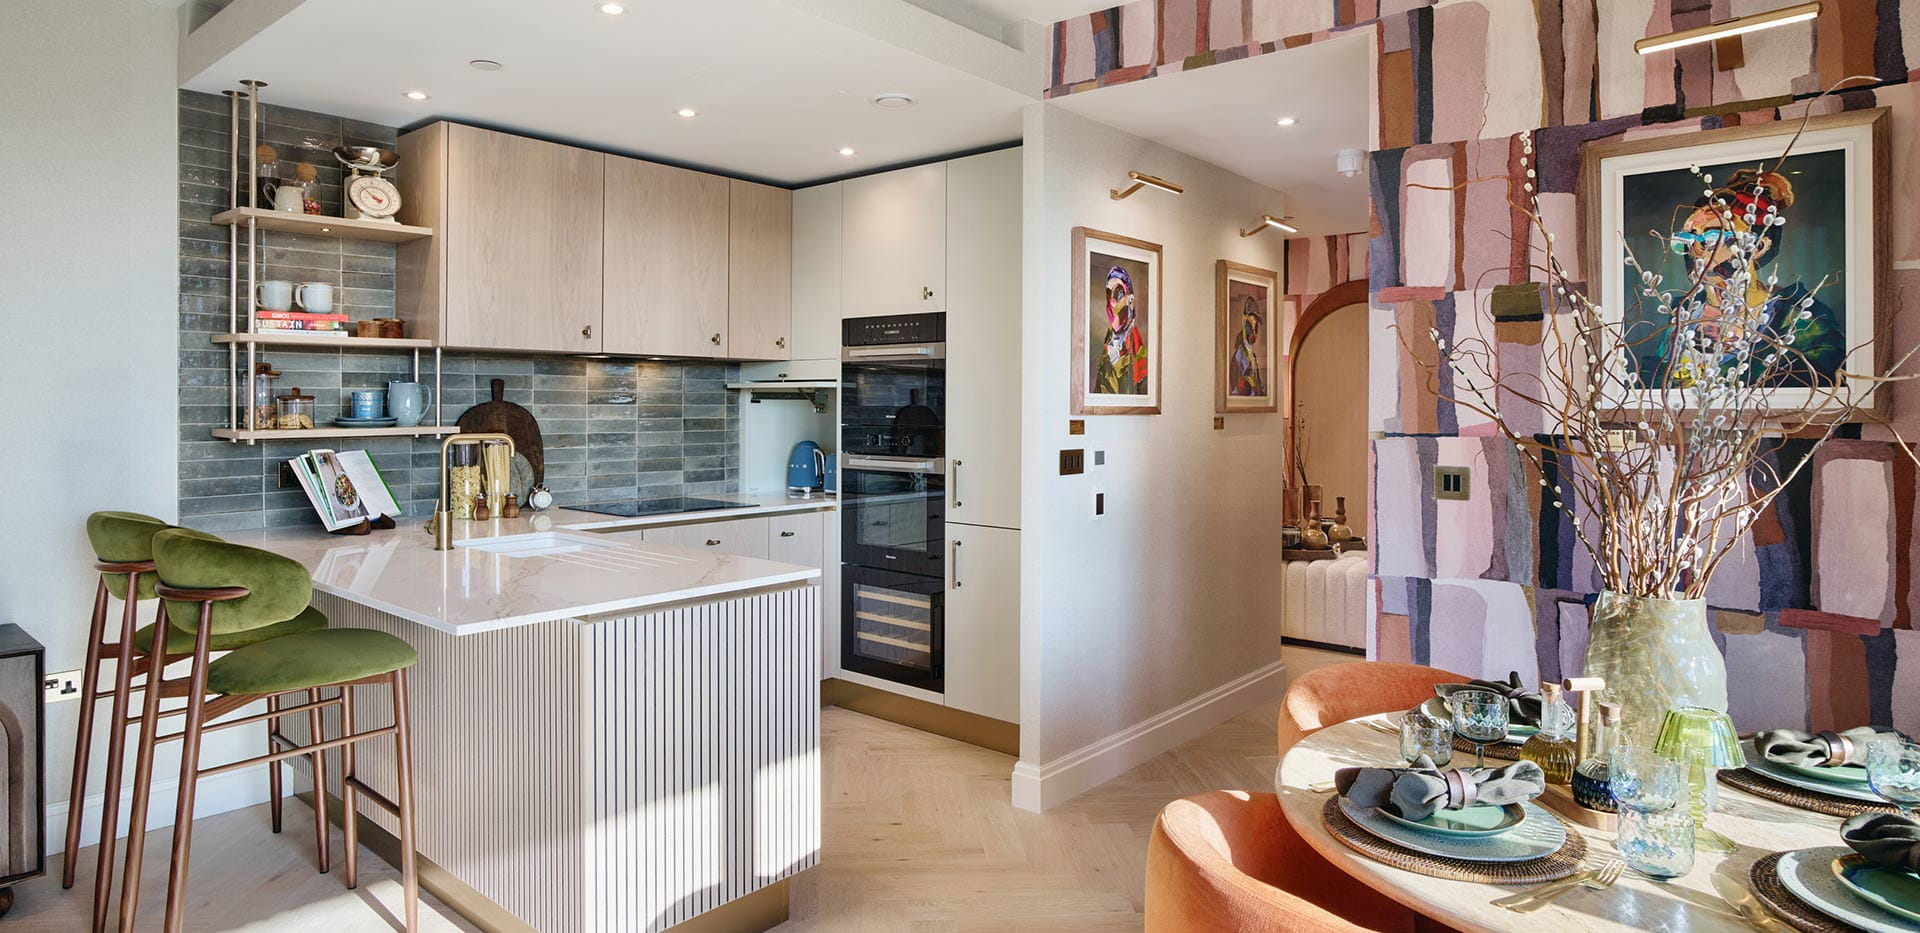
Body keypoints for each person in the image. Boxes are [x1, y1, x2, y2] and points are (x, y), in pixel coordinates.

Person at [1646, 167, 1844, 388]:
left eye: (1713, 239)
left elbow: (1818, 390)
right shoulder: (1683, 313)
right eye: (1688, 240)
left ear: (1758, 246)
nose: (1697, 252)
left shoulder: (1802, 320)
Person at [1097, 265, 1148, 395]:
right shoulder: (1108, 345)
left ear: (1130, 299)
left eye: (1119, 293)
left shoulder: (1136, 347)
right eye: (1108, 293)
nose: (1112, 301)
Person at [1229, 293, 1267, 397]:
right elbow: (1237, 389)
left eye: (1256, 328)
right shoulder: (1239, 356)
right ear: (1244, 326)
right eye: (1250, 327)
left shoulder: (1252, 355)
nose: (1254, 333)